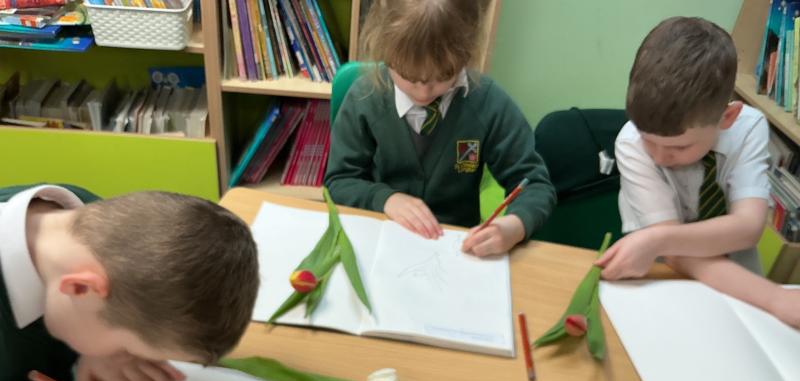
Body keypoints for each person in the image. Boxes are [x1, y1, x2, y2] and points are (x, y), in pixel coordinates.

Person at [0, 184, 259, 381]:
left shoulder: (89, 229)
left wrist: (91, 353)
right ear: (81, 289)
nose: (127, 359)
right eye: (125, 349)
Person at [597, 16, 800, 328]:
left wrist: (658, 239)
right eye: (649, 140)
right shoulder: (631, 143)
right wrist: (772, 298)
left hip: (743, 286)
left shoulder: (749, 128)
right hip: (667, 282)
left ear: (727, 117)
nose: (659, 156)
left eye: (679, 147)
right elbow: (675, 254)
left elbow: (747, 228)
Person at [324, 0, 555, 258]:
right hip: (381, 239)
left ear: (467, 53)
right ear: (384, 49)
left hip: (457, 250)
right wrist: (385, 199)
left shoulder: (489, 104)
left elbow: (535, 184)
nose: (423, 92)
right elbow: (339, 181)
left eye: (443, 76)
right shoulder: (365, 98)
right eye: (409, 77)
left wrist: (514, 226)